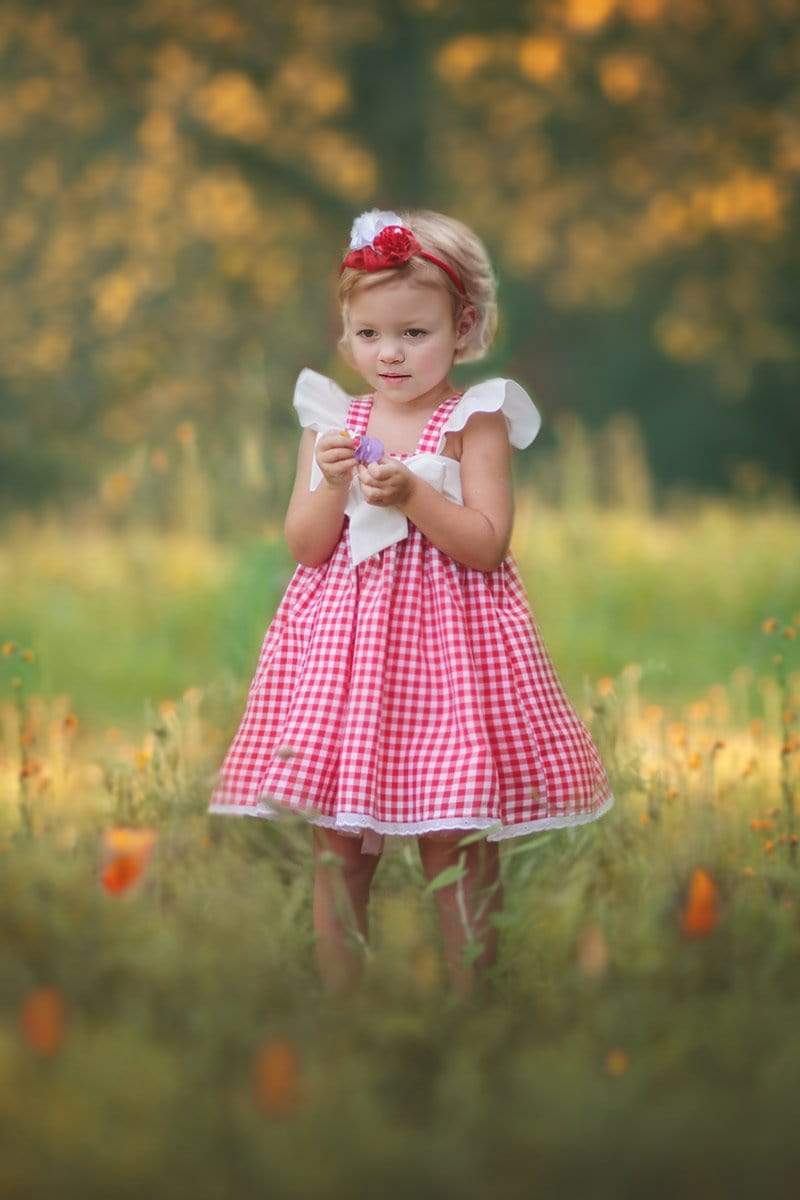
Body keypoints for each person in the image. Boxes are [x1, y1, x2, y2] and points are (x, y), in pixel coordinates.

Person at [208, 207, 615, 998]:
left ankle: (471, 1001)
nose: (389, 354)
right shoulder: (334, 420)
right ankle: (345, 1008)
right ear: (345, 333)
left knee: (453, 837)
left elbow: (487, 543)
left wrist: (415, 499)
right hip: (346, 658)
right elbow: (305, 546)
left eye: (414, 333)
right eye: (369, 335)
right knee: (342, 844)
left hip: (449, 657)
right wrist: (331, 482)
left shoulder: (476, 418)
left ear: (462, 328)